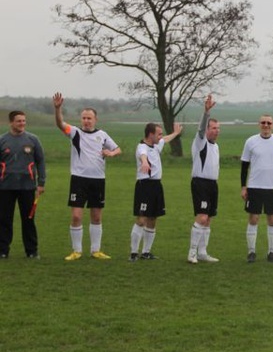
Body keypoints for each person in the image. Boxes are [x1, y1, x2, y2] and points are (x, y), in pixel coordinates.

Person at [53, 93, 122, 261]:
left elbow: (118, 149)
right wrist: (57, 108)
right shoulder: (75, 133)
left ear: (95, 120)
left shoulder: (103, 135)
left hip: (98, 180)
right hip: (79, 179)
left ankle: (95, 250)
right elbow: (60, 124)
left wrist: (111, 153)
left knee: (96, 216)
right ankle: (76, 251)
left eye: (89, 118)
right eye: (84, 118)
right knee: (76, 215)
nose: (86, 121)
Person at [130, 121, 182, 261]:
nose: (161, 136)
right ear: (150, 134)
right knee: (141, 219)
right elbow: (143, 155)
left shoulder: (156, 145)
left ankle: (146, 252)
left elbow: (164, 140)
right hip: (144, 186)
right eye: (158, 134)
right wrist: (145, 162)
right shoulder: (142, 147)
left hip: (156, 186)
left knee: (153, 219)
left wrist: (176, 133)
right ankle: (134, 253)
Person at [241, 114, 273, 263]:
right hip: (254, 187)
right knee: (253, 219)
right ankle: (251, 252)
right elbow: (244, 167)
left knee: (272, 220)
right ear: (259, 124)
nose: (266, 125)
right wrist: (243, 186)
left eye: (269, 123)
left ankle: (271, 253)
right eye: (263, 122)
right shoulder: (250, 142)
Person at [0, 110, 46, 259]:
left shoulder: (33, 140)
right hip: (5, 187)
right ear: (11, 122)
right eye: (19, 121)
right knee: (4, 220)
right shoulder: (2, 140)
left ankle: (31, 251)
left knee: (28, 220)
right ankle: (3, 251)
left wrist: (41, 183)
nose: (22, 124)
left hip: (27, 187)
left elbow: (40, 162)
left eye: (24, 121)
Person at [187, 95, 221, 264]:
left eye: (218, 128)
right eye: (213, 128)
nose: (216, 130)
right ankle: (191, 253)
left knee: (208, 220)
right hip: (200, 183)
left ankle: (202, 252)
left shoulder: (216, 146)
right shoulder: (201, 142)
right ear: (207, 130)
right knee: (201, 218)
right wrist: (206, 113)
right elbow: (200, 129)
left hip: (213, 185)